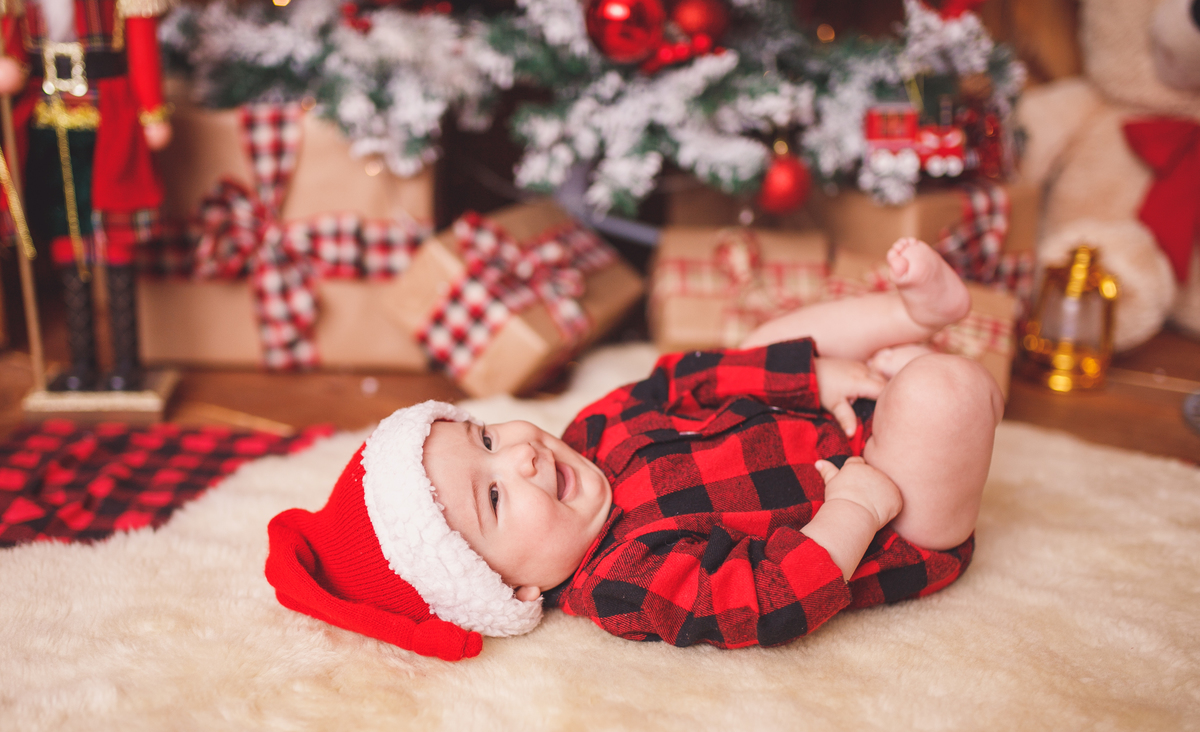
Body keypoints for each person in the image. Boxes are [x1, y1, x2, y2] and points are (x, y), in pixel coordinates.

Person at [265, 238, 1004, 662]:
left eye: (485, 439)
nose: (519, 457)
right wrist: (852, 509)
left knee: (745, 352)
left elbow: (681, 380)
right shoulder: (624, 581)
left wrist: (806, 375)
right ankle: (931, 379)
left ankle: (908, 313)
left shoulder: (588, 436)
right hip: (890, 512)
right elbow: (768, 602)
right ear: (514, 592)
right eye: (494, 496)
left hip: (826, 413)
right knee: (945, 393)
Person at [0, 0, 173, 391]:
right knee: (65, 233)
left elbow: (142, 48)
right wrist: (10, 67)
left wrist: (152, 111)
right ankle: (82, 362)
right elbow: (11, 45)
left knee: (115, 231)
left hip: (109, 113)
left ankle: (127, 364)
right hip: (46, 115)